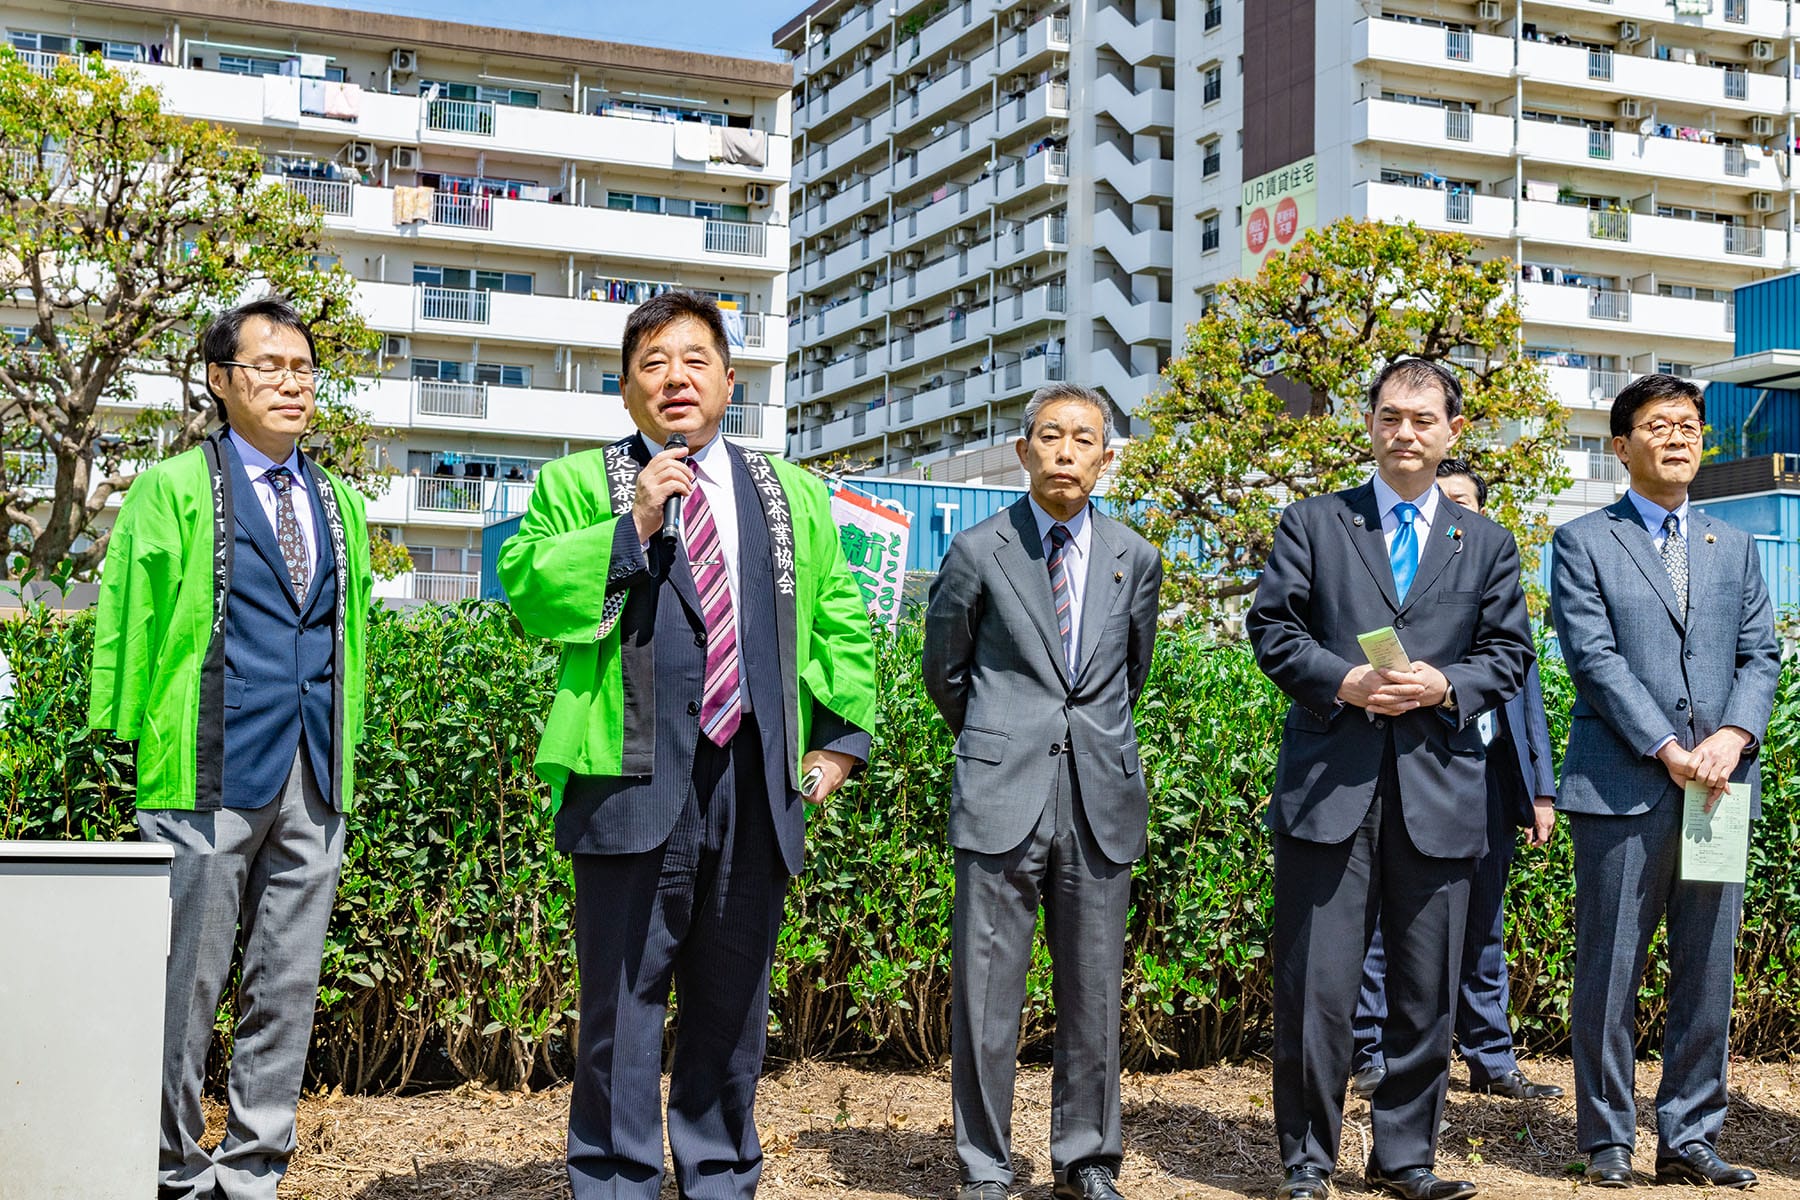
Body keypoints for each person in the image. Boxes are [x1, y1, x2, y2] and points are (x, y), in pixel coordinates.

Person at [497, 290, 878, 1200]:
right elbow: (529, 587)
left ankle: (718, 1174)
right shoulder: (578, 483)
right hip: (628, 773)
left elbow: (839, 621)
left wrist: (839, 745)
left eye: (695, 360)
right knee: (621, 1009)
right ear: (627, 391)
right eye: (654, 365)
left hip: (756, 775)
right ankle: (617, 1181)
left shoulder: (790, 493)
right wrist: (631, 524)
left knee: (732, 1003)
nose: (676, 379)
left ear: (729, 380)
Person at [88, 295, 373, 1200]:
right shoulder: (172, 487)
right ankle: (169, 1167)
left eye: (303, 369)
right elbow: (127, 618)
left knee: (286, 988)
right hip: (205, 763)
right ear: (221, 380)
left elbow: (348, 632)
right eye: (269, 367)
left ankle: (252, 1170)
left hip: (314, 769)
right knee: (184, 985)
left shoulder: (337, 499)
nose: (291, 384)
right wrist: (126, 736)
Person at [1246, 359, 1534, 1200]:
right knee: (1316, 989)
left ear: (1452, 432)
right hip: (1330, 786)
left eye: (1422, 419)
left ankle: (1405, 1158)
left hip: (1441, 789)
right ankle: (1306, 1160)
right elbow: (1273, 627)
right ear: (1369, 424)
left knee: (1425, 988)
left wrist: (1447, 685)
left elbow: (1509, 653)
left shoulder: (1484, 541)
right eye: (1389, 417)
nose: (1404, 432)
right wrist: (1346, 680)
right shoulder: (1314, 522)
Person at [923, 383, 1163, 1200]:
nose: (1066, 451)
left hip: (1100, 796)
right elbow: (944, 675)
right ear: (1025, 451)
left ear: (1106, 456)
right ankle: (985, 1166)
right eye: (1051, 436)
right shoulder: (978, 550)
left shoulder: (1137, 556)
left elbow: (1132, 671)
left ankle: (1088, 1159)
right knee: (988, 993)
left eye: (1084, 438)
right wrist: (1002, 735)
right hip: (1002, 792)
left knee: (1094, 991)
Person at [1550, 374, 1779, 1190]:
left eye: (1689, 425)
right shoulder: (1581, 542)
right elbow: (1593, 660)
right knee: (1609, 967)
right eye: (1657, 425)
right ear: (1622, 447)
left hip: (1719, 786)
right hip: (1622, 784)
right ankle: (1607, 1139)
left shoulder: (1738, 545)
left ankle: (1690, 1136)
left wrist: (1733, 733)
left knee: (1708, 969)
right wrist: (1663, 744)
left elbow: (1762, 655)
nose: (1678, 437)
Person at [1351, 459, 1562, 1105]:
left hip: (1494, 781)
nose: (1451, 517)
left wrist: (1542, 791)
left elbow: (1529, 703)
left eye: (1464, 506)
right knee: (1391, 930)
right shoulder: (1414, 594)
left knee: (1485, 928)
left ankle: (1491, 1056)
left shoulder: (1495, 586)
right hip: (1426, 773)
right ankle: (1373, 1053)